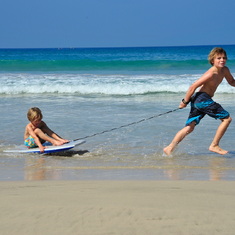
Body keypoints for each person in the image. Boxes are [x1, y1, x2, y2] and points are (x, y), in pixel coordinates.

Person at [163, 47, 235, 156]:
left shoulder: (225, 70)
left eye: (224, 58)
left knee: (190, 127)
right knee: (227, 119)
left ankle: (169, 148)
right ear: (212, 61)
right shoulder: (211, 73)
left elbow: (232, 81)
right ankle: (214, 145)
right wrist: (184, 101)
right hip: (202, 99)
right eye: (218, 58)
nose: (222, 60)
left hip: (200, 100)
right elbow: (193, 86)